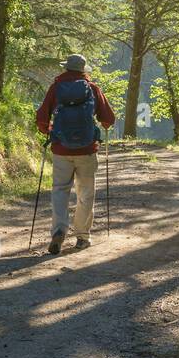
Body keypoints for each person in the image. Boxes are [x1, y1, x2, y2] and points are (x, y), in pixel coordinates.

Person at [35, 54, 116, 254]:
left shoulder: (56, 87)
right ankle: (82, 237)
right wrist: (102, 125)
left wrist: (48, 131)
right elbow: (109, 118)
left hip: (61, 149)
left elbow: (41, 118)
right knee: (86, 193)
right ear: (83, 70)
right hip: (87, 150)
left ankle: (59, 231)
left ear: (66, 69)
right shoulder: (92, 88)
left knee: (60, 190)